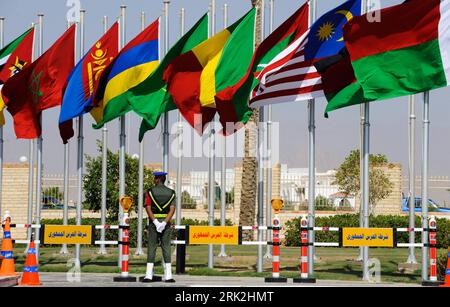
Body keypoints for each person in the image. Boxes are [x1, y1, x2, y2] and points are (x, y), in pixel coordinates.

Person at [142, 172, 176, 283]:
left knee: (152, 247)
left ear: (157, 179)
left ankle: (148, 275)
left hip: (153, 223)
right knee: (166, 247)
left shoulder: (149, 192)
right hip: (166, 224)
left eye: (154, 178)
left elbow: (148, 208)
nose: (153, 180)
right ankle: (168, 276)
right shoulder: (171, 193)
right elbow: (172, 209)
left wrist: (156, 222)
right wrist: (164, 223)